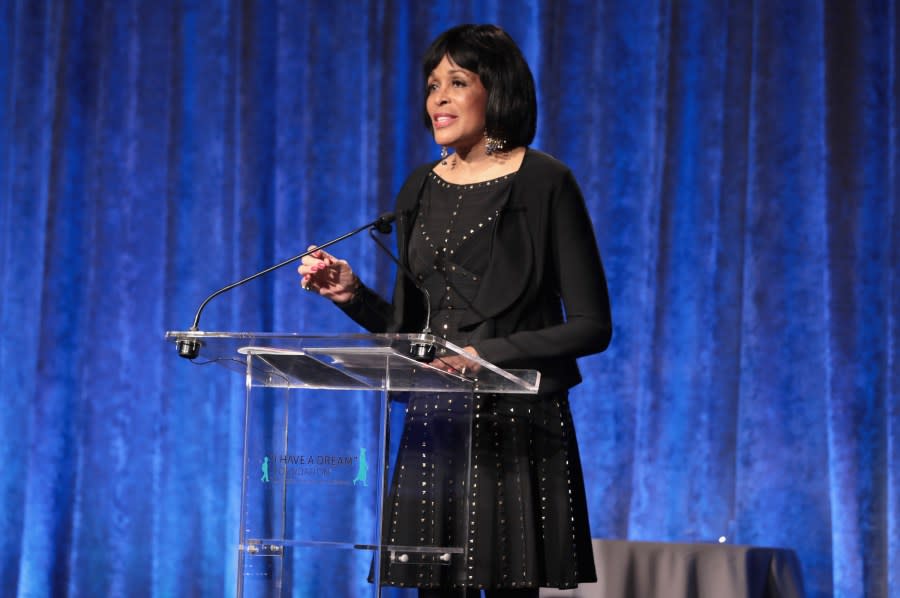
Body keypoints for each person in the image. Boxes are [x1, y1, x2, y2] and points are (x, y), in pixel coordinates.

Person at [298, 24, 612, 598]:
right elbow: (409, 334)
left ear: (498, 91)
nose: (437, 98)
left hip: (517, 423)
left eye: (457, 82)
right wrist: (352, 295)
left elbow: (592, 326)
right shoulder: (420, 187)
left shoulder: (546, 183)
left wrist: (482, 357)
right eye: (432, 84)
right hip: (435, 421)